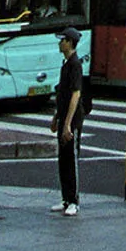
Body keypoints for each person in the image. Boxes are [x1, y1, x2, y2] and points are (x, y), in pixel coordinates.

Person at [53, 28, 84, 215]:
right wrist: (56, 117)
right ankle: (65, 199)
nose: (60, 43)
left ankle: (74, 200)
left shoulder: (75, 65)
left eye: (62, 40)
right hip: (64, 117)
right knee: (63, 159)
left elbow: (75, 94)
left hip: (72, 120)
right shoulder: (66, 64)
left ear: (70, 43)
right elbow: (62, 94)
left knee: (71, 160)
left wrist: (67, 124)